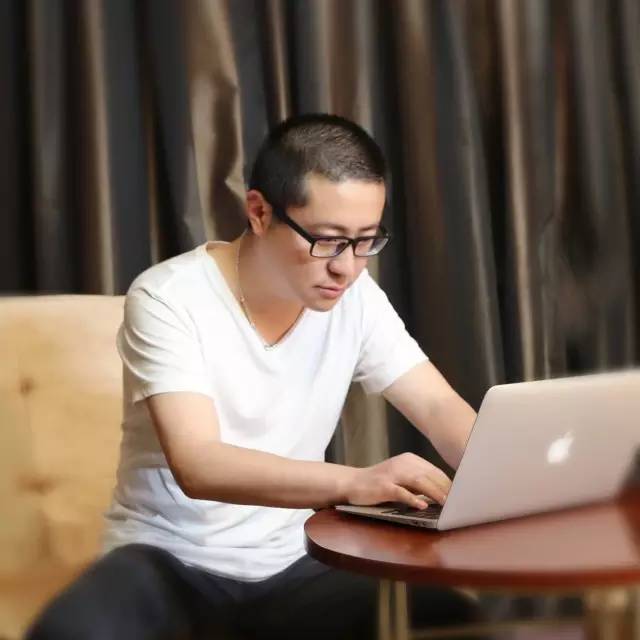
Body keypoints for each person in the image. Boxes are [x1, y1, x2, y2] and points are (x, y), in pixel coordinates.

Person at [27, 114, 479, 639]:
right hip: (169, 560)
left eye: (366, 242)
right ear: (260, 212)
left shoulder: (357, 300)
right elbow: (200, 464)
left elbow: (438, 408)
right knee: (71, 632)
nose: (348, 268)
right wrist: (357, 482)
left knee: (445, 617)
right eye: (328, 240)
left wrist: (502, 474)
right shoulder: (168, 297)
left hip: (294, 561)